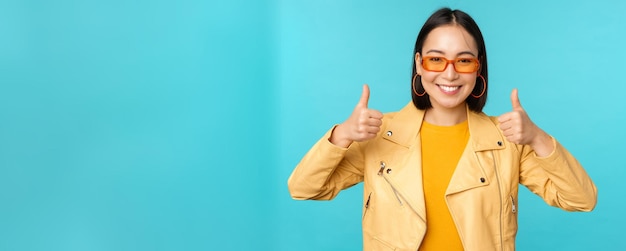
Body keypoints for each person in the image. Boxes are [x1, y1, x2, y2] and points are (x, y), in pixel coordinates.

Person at [287, 7, 597, 251]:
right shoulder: (380, 134)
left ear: (478, 67)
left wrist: (538, 139)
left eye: (463, 61)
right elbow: (303, 188)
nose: (449, 74)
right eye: (436, 59)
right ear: (420, 64)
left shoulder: (507, 142)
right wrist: (341, 135)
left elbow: (582, 199)